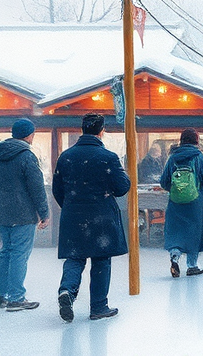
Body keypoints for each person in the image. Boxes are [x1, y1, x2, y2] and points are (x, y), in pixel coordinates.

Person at [52, 113, 130, 322]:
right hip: (101, 217)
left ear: (82, 129)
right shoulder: (108, 157)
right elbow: (122, 187)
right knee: (101, 259)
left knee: (74, 256)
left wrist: (71, 207)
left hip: (73, 216)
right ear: (101, 131)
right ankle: (98, 307)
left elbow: (57, 190)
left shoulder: (66, 157)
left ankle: (67, 290)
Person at [0, 118, 50, 312]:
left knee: (5, 253)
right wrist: (44, 213)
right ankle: (16, 298)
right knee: (19, 254)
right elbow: (36, 188)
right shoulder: (26, 156)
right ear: (30, 135)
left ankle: (2, 294)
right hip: (23, 214)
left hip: (3, 213)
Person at [159, 128, 203, 277]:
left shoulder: (173, 158)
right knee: (194, 233)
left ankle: (175, 256)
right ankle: (192, 266)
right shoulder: (199, 157)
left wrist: (176, 189)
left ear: (181, 140)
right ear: (196, 141)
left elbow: (164, 181)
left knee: (176, 231)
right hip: (196, 203)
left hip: (176, 202)